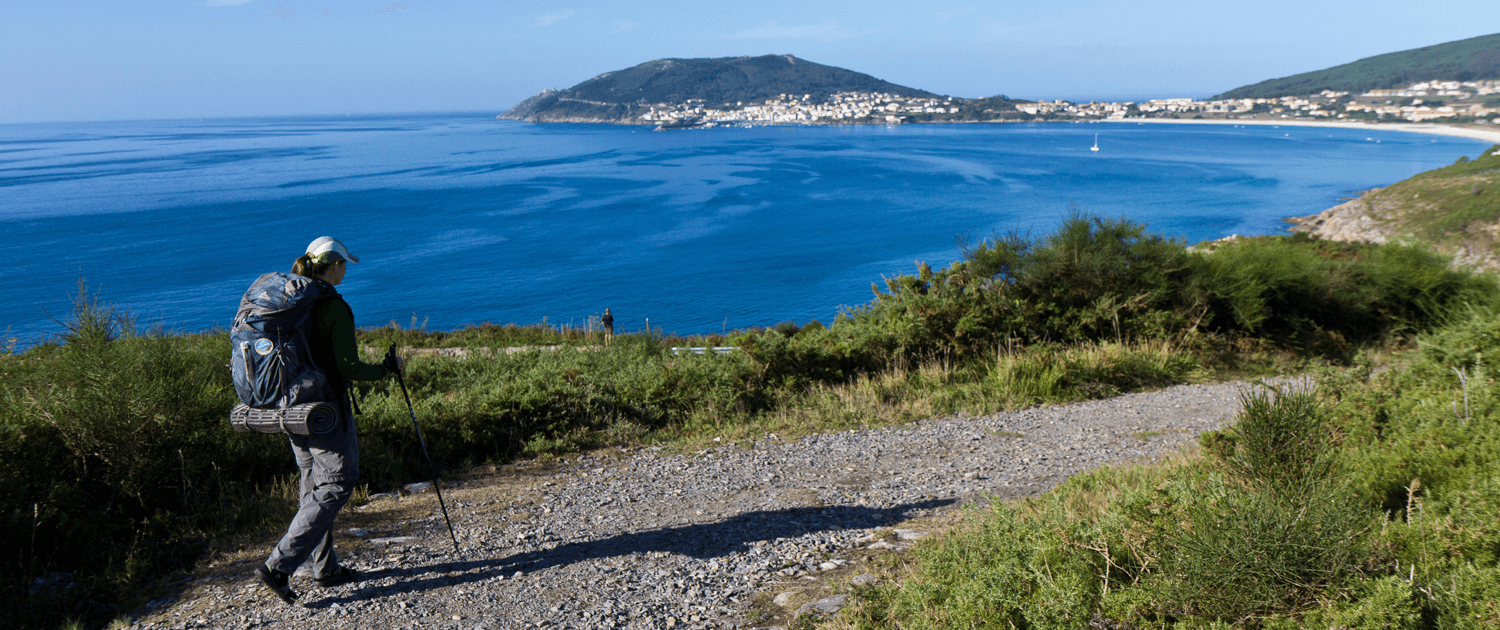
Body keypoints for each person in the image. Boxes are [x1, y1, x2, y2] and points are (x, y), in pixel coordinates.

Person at [255, 236, 403, 606]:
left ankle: (325, 568)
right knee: (337, 483)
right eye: (344, 265)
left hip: (289, 406)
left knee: (312, 485)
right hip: (323, 410)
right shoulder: (334, 308)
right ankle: (278, 566)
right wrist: (386, 369)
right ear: (334, 265)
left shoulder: (294, 303)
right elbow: (347, 367)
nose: (345, 271)